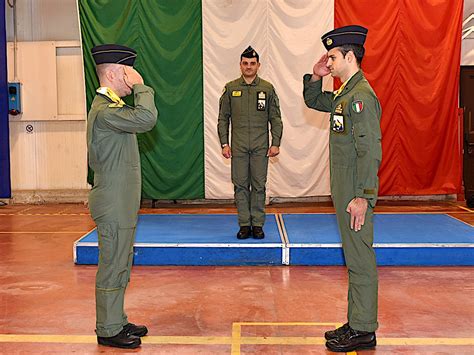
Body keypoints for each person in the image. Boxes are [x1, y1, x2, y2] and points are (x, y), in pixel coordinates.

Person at [303, 25, 382, 352]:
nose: (329, 62)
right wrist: (315, 74)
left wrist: (363, 196)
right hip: (346, 191)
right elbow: (313, 100)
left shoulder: (360, 96)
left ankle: (364, 330)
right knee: (353, 256)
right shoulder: (344, 94)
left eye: (333, 57)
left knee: (360, 258)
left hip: (355, 193)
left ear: (350, 56)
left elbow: (370, 149)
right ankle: (357, 321)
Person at [87, 44, 158, 349]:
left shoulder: (112, 109)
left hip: (120, 202)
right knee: (113, 264)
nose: (130, 77)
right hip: (114, 203)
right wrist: (142, 85)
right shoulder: (106, 111)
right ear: (116, 73)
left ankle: (116, 318)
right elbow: (146, 119)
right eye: (127, 72)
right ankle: (108, 328)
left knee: (121, 262)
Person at [218, 46, 283, 240]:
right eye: (245, 63)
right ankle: (244, 224)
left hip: (260, 146)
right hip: (237, 146)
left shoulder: (267, 88)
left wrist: (276, 142)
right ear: (240, 65)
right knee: (240, 185)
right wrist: (224, 143)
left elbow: (276, 118)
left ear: (258, 66)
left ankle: (258, 224)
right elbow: (223, 118)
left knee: (259, 185)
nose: (249, 67)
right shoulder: (231, 88)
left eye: (252, 63)